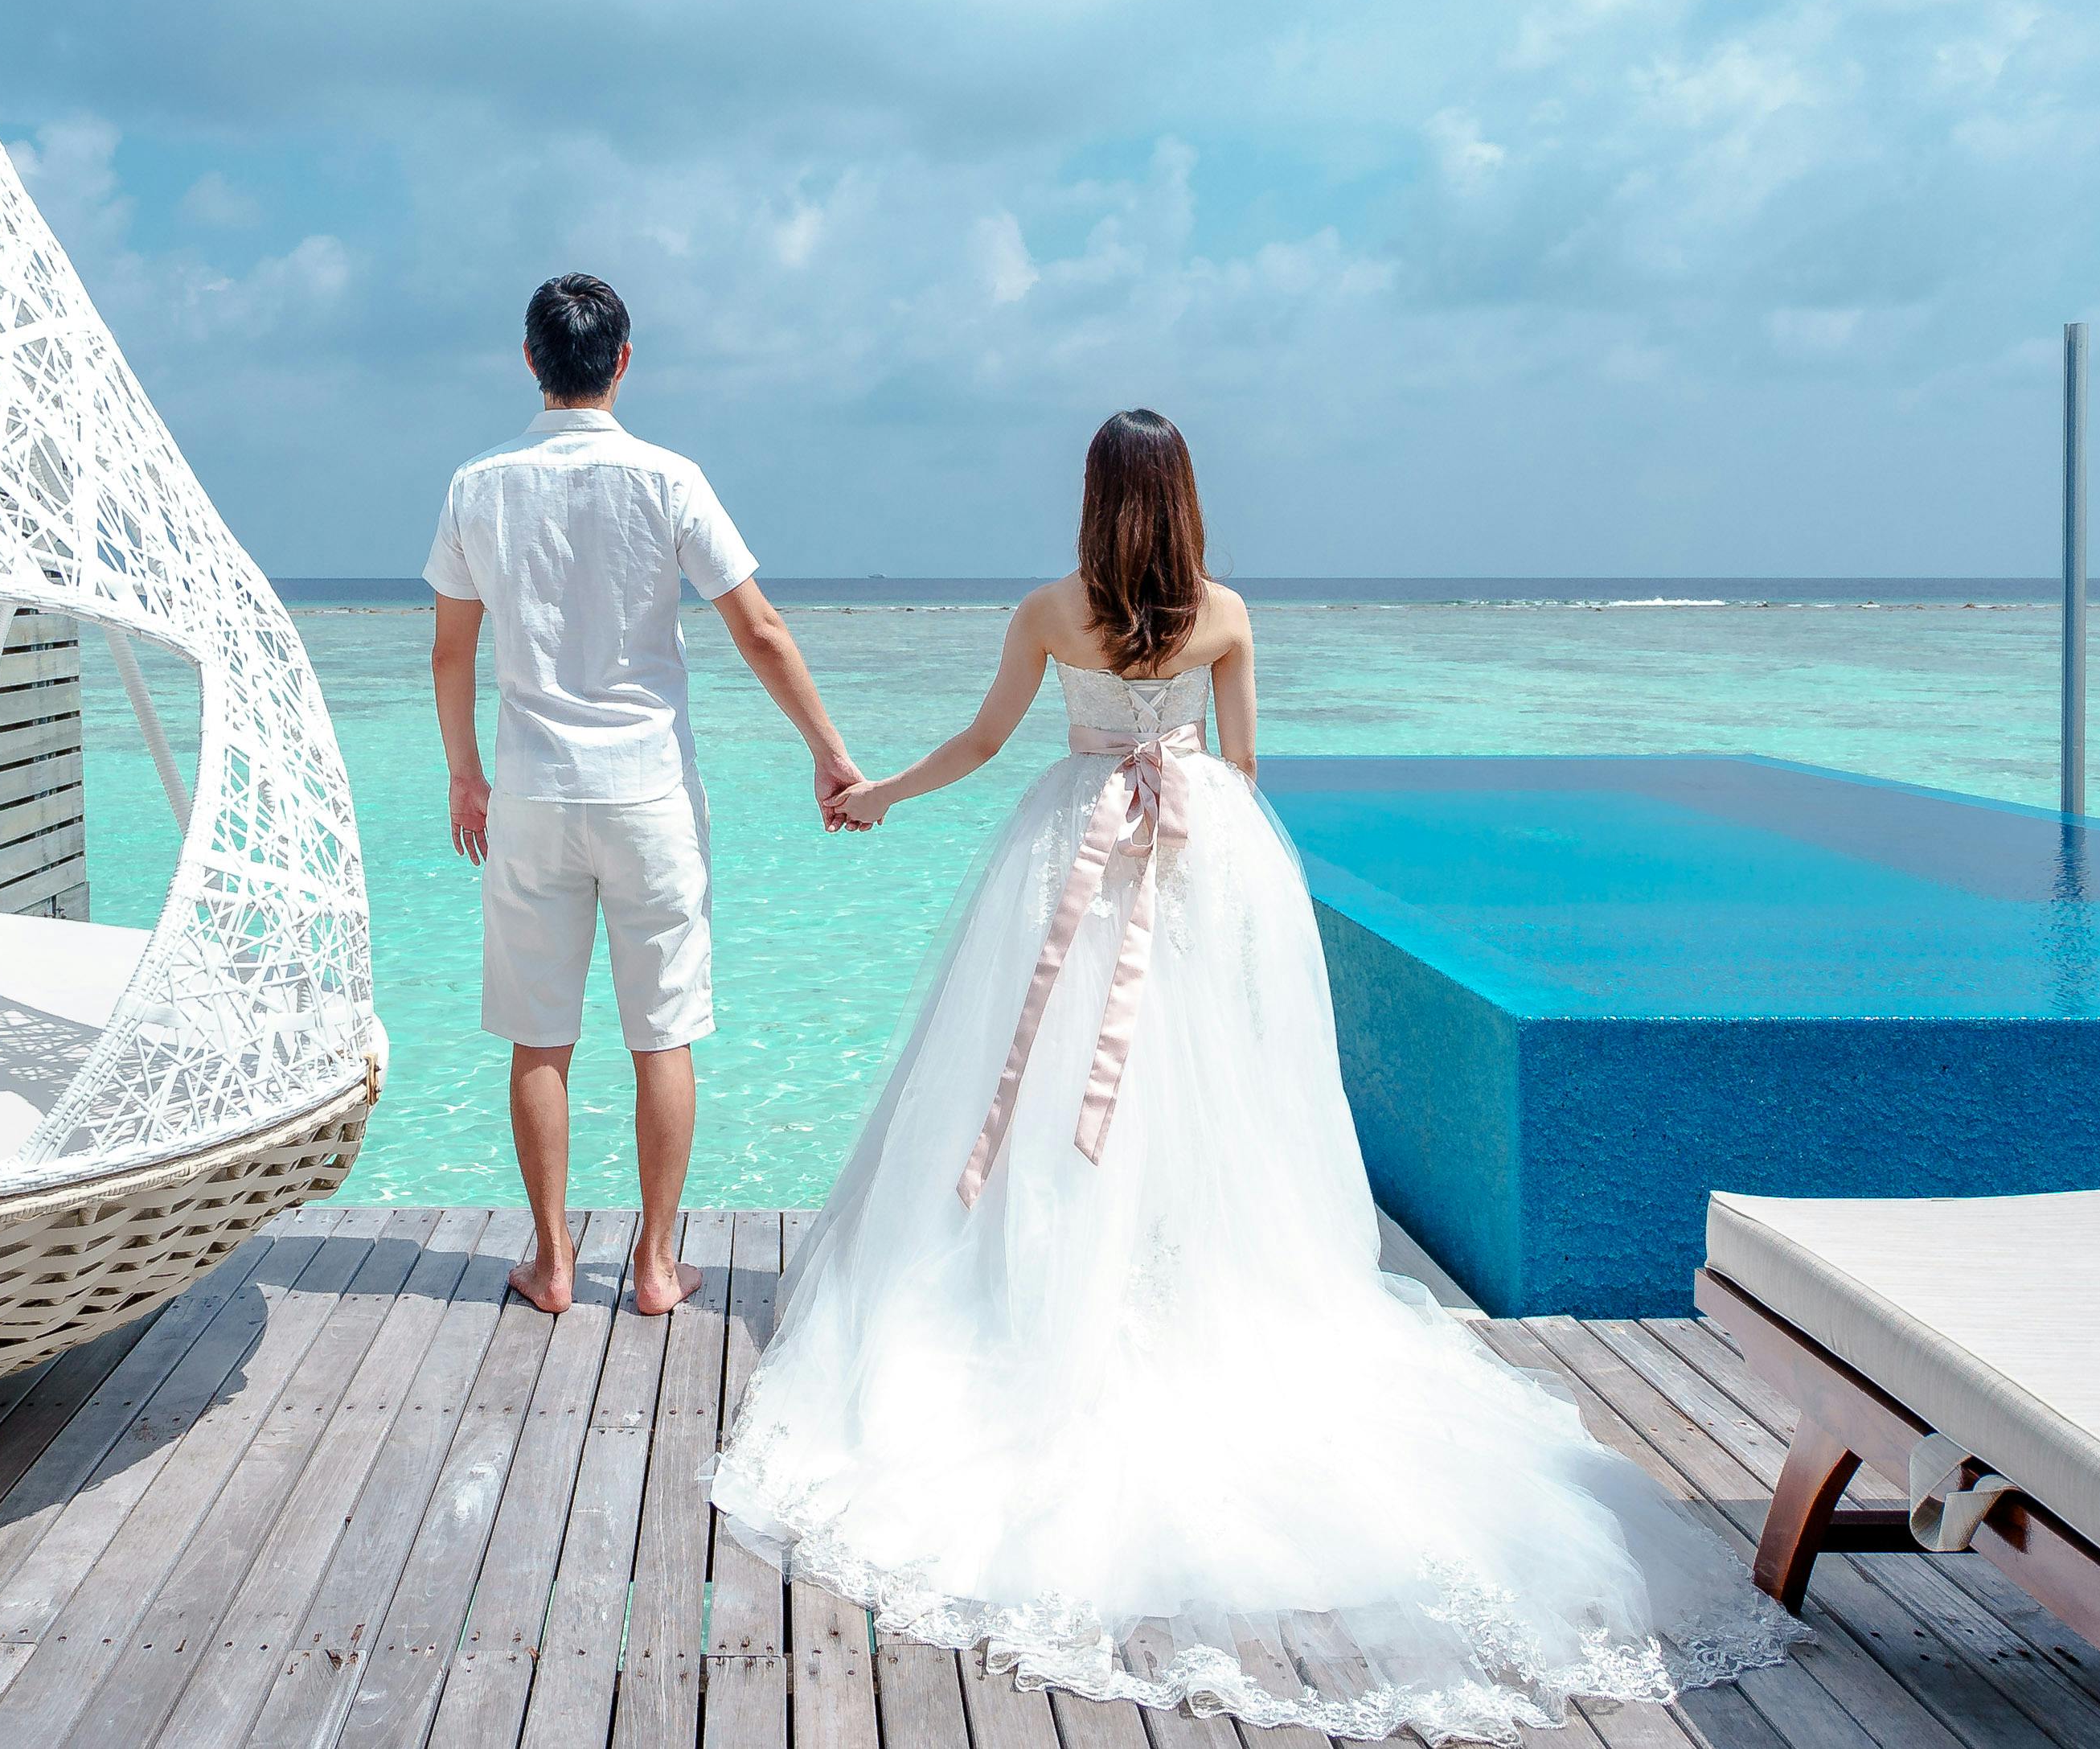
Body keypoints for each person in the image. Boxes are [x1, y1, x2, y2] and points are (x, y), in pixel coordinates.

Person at [708, 410, 1793, 1740]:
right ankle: (1176, 1275)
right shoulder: (1223, 610)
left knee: (1050, 1093)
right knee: (1201, 1098)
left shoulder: (1051, 610)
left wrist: (878, 793)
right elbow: (1245, 767)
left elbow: (988, 747)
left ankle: (1059, 1286)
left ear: (1099, 498)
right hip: (1195, 857)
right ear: (1183, 499)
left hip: (1075, 854)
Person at [431, 274, 863, 1320]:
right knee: (659, 1035)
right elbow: (758, 628)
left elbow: (451, 651)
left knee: (541, 1037)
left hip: (533, 791)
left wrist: (464, 774)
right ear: (622, 360)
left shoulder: (476, 486)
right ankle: (659, 1267)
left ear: (531, 360)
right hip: (651, 797)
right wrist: (828, 752)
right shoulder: (669, 480)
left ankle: (550, 1262)